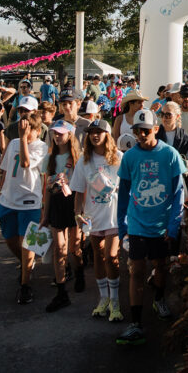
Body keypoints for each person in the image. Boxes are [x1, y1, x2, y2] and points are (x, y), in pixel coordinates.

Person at [116, 110, 185, 345]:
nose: (141, 135)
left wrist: (173, 226)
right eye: (137, 131)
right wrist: (121, 227)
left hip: (161, 225)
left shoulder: (170, 155)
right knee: (136, 271)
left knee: (160, 266)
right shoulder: (129, 157)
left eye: (146, 130)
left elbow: (178, 195)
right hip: (136, 223)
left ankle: (158, 298)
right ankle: (135, 322)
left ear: (156, 129)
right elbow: (123, 194)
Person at [71, 120, 122, 322]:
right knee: (98, 256)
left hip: (114, 217)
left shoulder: (119, 158)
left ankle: (116, 302)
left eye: (99, 132)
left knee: (111, 256)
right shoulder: (84, 161)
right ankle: (104, 299)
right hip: (93, 217)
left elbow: (128, 186)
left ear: (107, 135)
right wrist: (78, 214)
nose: (94, 135)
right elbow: (78, 192)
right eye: (91, 132)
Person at [0, 111, 49, 305]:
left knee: (28, 243)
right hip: (8, 200)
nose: (24, 133)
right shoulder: (12, 144)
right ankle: (27, 265)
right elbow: (4, 169)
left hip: (30, 202)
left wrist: (23, 141)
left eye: (28, 130)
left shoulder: (41, 147)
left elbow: (26, 163)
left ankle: (25, 284)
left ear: (37, 131)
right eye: (22, 129)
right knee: (10, 240)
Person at [40, 120, 84, 312]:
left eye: (61, 133)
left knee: (74, 246)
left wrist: (81, 209)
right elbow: (47, 188)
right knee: (59, 249)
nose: (57, 137)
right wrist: (45, 212)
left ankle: (79, 271)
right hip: (57, 203)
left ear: (70, 135)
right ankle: (61, 292)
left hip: (74, 203)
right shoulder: (49, 158)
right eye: (54, 134)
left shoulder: (78, 158)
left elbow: (83, 185)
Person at [155, 101, 188, 205]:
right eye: (162, 114)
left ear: (177, 116)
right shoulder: (154, 138)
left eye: (168, 114)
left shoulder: (185, 140)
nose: (165, 118)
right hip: (157, 185)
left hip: (179, 184)